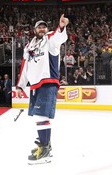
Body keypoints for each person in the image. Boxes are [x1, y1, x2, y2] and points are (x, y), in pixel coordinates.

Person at [16, 14, 69, 164]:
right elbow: (24, 68)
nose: (42, 29)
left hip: (47, 82)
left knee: (41, 117)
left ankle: (45, 149)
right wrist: (20, 85)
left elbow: (59, 36)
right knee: (39, 117)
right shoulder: (29, 46)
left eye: (44, 27)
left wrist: (62, 26)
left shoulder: (51, 40)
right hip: (34, 85)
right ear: (34, 30)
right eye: (39, 27)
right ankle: (46, 146)